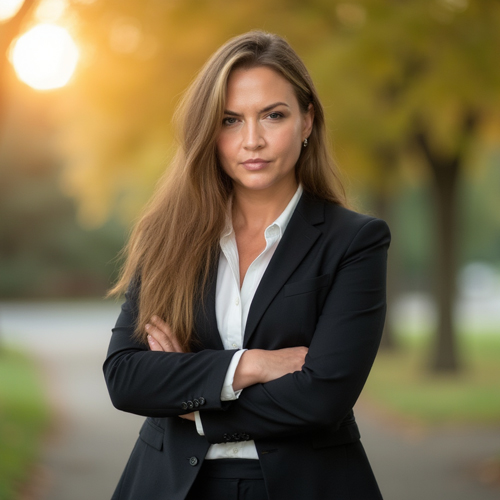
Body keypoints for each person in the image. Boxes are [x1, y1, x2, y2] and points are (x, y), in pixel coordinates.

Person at [104, 30, 390, 500]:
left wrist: (190, 398)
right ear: (209, 132)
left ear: (306, 122)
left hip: (307, 486)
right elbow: (126, 377)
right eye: (230, 120)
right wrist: (247, 367)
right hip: (170, 485)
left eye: (273, 116)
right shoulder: (169, 236)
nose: (252, 140)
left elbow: (322, 399)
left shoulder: (354, 241)